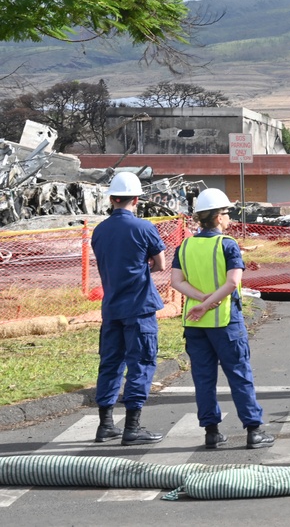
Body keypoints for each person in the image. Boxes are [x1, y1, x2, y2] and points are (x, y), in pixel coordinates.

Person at [170, 188, 274, 449]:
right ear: (217, 217)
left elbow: (176, 281)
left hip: (194, 323)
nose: (229, 218)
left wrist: (200, 300)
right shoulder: (227, 245)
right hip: (225, 321)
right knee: (239, 374)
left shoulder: (185, 245)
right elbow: (232, 284)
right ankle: (253, 430)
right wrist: (208, 304)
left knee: (203, 379)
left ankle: (211, 433)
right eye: (227, 213)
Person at [91, 171, 166, 445]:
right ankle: (132, 427)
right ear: (137, 199)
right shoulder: (144, 228)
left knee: (110, 364)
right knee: (141, 362)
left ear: (112, 199)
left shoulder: (100, 230)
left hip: (111, 308)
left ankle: (105, 425)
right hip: (139, 306)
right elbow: (160, 264)